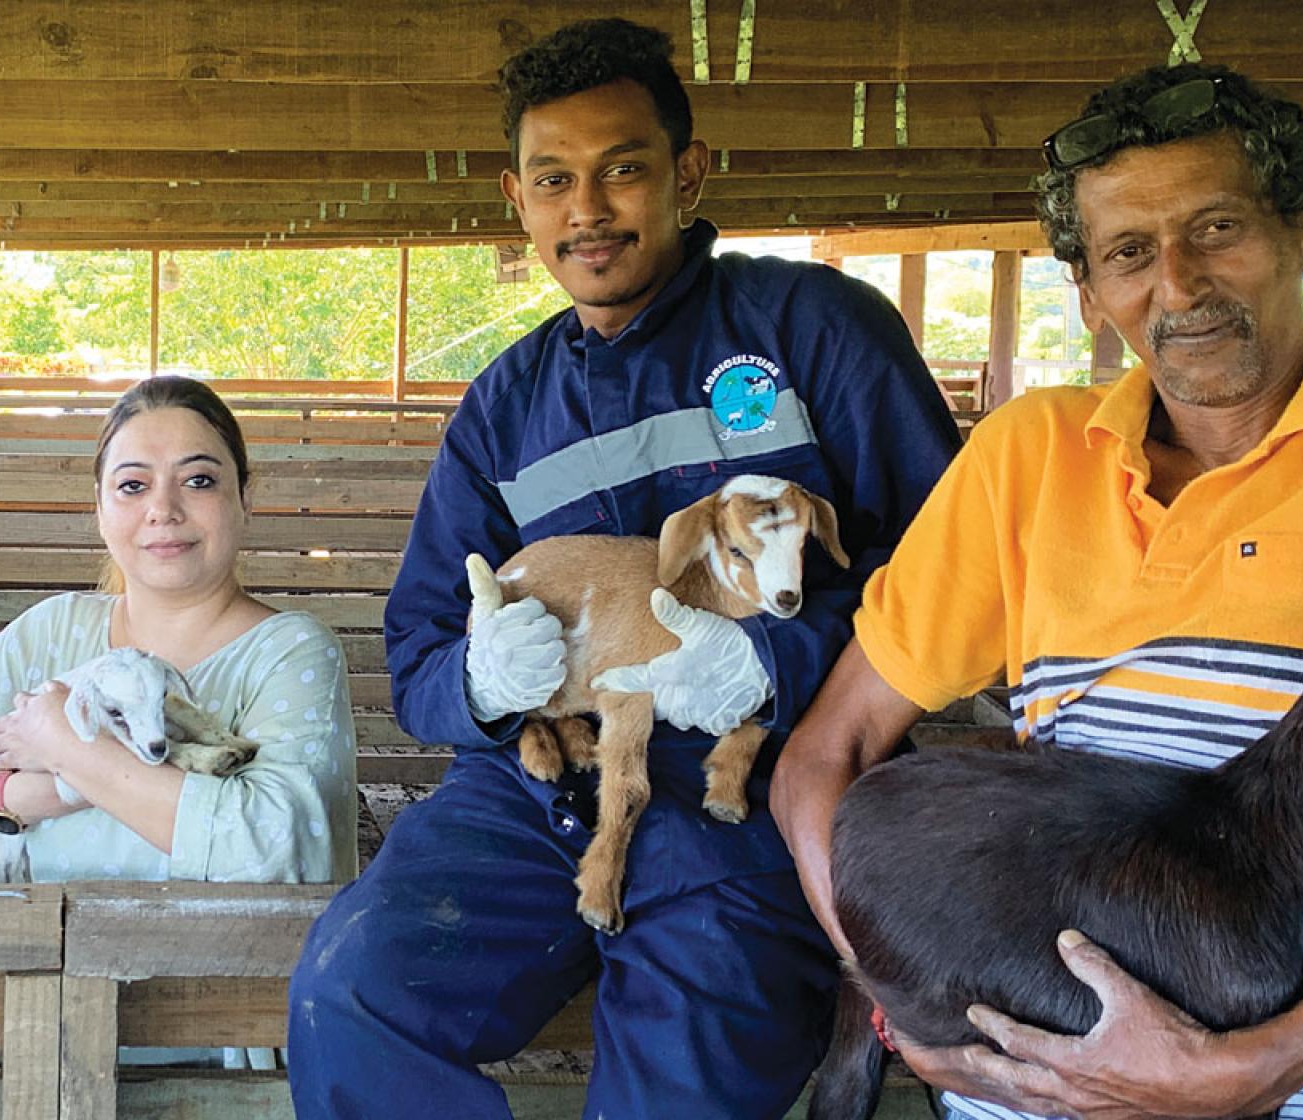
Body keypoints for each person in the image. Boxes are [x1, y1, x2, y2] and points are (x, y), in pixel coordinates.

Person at [772, 63, 1303, 1120]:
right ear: (1086, 292)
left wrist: (1267, 1062)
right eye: (1128, 251)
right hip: (1028, 1093)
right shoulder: (1027, 455)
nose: (1176, 283)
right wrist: (902, 988)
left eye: (1216, 227)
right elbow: (826, 753)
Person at [286, 19, 961, 1117]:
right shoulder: (500, 408)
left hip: (747, 789)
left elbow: (950, 567)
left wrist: (774, 662)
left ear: (688, 174)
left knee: (683, 1069)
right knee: (351, 990)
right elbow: (416, 651)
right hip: (533, 792)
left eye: (622, 170)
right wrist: (483, 683)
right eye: (554, 180)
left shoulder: (813, 329)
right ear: (517, 198)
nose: (586, 209)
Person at [0, 376, 356, 891]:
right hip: (31, 962)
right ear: (99, 507)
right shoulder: (52, 631)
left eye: (199, 480)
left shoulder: (289, 652)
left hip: (215, 968)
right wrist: (42, 794)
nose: (163, 509)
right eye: (133, 486)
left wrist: (65, 745)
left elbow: (280, 848)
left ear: (245, 498)